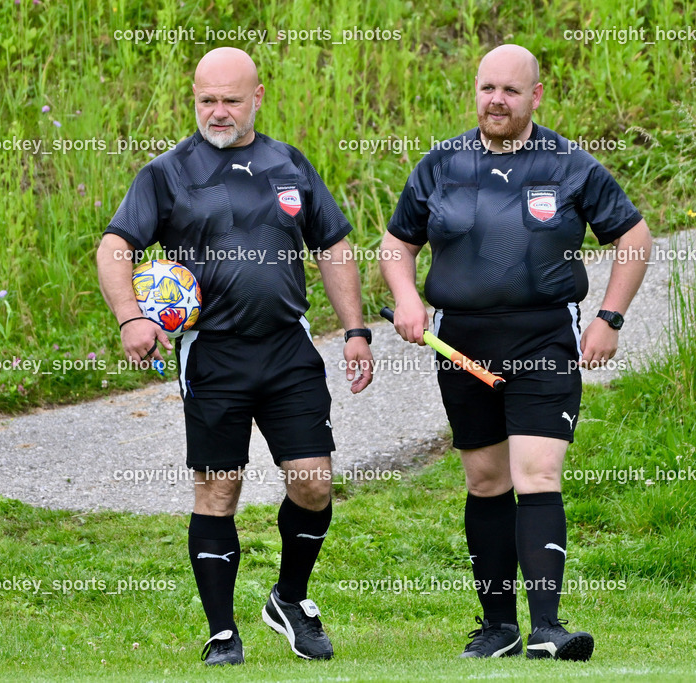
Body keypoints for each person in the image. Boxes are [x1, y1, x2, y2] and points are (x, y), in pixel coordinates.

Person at [96, 47, 374, 666]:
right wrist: (131, 317)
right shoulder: (167, 172)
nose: (217, 112)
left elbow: (333, 247)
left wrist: (355, 329)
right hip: (213, 355)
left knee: (313, 483)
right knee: (218, 488)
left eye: (230, 100)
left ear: (258, 96)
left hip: (287, 349)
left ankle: (290, 600)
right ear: (193, 97)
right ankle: (222, 632)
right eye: (206, 100)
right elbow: (114, 247)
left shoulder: (289, 164)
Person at [380, 44, 652, 662]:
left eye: (509, 90)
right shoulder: (441, 164)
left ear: (535, 96)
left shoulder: (570, 165)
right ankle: (498, 626)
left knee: (538, 474)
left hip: (543, 337)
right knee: (485, 480)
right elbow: (397, 242)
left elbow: (634, 237)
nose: (495, 100)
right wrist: (405, 299)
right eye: (486, 88)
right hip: (462, 342)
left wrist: (609, 317)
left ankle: (548, 628)